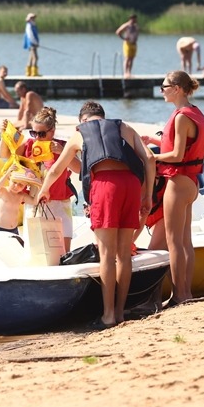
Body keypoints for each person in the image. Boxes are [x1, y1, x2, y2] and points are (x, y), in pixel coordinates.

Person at [37, 101, 154, 329]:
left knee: (107, 254)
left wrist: (43, 191)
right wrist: (147, 195)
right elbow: (149, 158)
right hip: (130, 185)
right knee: (124, 253)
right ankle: (120, 312)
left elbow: (56, 169)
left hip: (105, 185)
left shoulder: (79, 133)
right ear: (102, 116)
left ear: (83, 120)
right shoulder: (124, 127)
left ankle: (108, 315)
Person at [141, 71, 204, 308]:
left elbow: (177, 155)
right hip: (191, 182)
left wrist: (151, 155)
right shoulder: (195, 112)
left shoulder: (181, 117)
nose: (161, 91)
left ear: (177, 88)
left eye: (164, 87)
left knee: (174, 242)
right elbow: (183, 147)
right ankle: (186, 292)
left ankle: (179, 294)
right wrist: (154, 139)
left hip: (178, 182)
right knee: (185, 241)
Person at [0, 107, 80, 252]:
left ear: (52, 131)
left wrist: (62, 152)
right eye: (33, 132)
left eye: (41, 134)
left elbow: (80, 169)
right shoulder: (28, 145)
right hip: (35, 203)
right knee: (36, 251)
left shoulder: (62, 146)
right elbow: (5, 155)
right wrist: (3, 135)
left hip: (60, 203)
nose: (37, 137)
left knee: (63, 251)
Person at [0, 165, 36, 235]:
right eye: (14, 182)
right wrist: (7, 174)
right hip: (0, 229)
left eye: (21, 185)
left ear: (25, 186)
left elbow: (34, 201)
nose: (16, 186)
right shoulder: (3, 191)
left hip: (14, 230)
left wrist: (40, 186)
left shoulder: (21, 195)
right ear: (9, 179)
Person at [115, 14, 139, 79]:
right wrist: (124, 38)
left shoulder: (135, 26)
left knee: (132, 59)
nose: (136, 20)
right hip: (128, 43)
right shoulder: (126, 25)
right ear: (131, 19)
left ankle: (129, 73)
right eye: (134, 19)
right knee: (127, 58)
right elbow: (118, 32)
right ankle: (125, 73)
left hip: (134, 44)